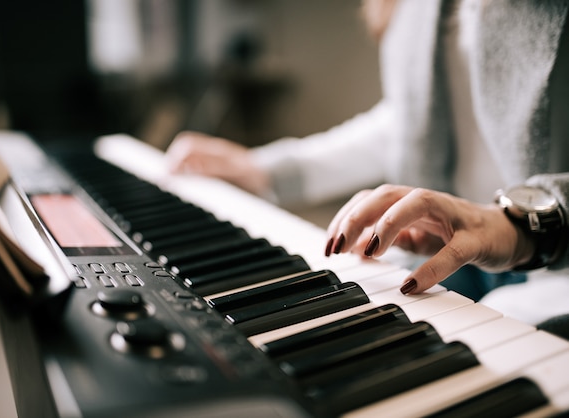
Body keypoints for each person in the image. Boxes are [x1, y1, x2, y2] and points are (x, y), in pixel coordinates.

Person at [164, 0, 569, 328]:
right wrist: (266, 168)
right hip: (448, 244)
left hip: (555, 260)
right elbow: (408, 121)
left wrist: (523, 224)